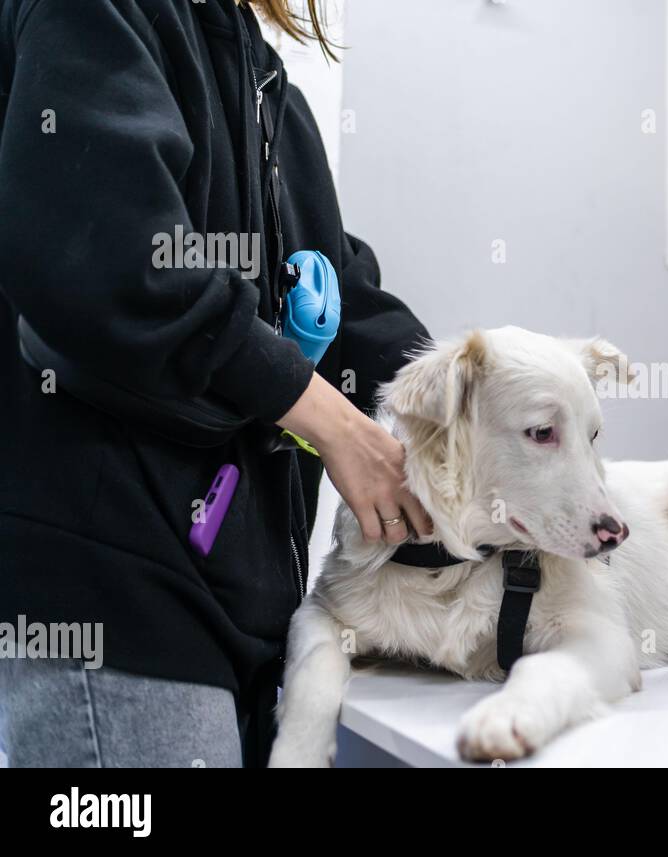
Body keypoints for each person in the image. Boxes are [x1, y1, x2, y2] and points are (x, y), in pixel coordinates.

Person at [0, 0, 433, 766]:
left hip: (236, 605)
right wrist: (332, 422)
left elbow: (351, 306)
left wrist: (474, 394)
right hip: (112, 594)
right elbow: (120, 261)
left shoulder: (261, 84)